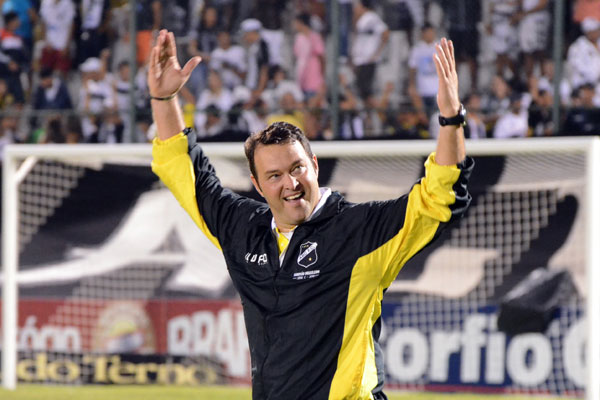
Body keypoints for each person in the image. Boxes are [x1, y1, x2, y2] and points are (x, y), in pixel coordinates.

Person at [149, 29, 472, 399]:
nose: (290, 183)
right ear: (257, 185)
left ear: (314, 166)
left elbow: (439, 197)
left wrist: (451, 118)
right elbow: (186, 173)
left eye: (297, 168)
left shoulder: (360, 231)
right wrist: (164, 98)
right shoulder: (243, 231)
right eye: (274, 176)